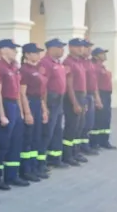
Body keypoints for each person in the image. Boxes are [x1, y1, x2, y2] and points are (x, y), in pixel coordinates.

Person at [0, 39, 29, 189]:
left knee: (15, 143)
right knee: (1, 144)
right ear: (4, 50)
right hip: (5, 105)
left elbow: (17, 90)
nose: (16, 52)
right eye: (13, 49)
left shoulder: (13, 68)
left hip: (14, 106)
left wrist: (21, 111)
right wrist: (2, 113)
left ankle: (12, 175)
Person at [18, 43, 49, 182]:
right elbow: (22, 93)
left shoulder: (37, 69)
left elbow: (41, 93)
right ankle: (26, 169)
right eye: (35, 52)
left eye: (39, 52)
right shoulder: (24, 70)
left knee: (37, 137)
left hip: (37, 102)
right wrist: (27, 112)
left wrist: (44, 109)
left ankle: (35, 167)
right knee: (28, 138)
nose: (38, 55)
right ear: (27, 54)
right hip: (29, 102)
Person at [38, 38, 69, 170]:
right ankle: (41, 161)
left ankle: (55, 158)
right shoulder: (45, 63)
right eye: (60, 47)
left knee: (57, 130)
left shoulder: (59, 63)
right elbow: (43, 86)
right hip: (51, 99)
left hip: (59, 99)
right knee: (47, 131)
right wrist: (44, 105)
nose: (62, 50)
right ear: (51, 48)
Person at [62, 38, 89, 166]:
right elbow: (69, 86)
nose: (81, 49)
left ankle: (75, 152)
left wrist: (84, 102)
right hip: (73, 96)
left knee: (79, 126)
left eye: (82, 47)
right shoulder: (68, 62)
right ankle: (67, 155)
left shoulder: (80, 62)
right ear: (70, 47)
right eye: (77, 46)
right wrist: (75, 103)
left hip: (82, 96)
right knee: (71, 127)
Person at [90, 47, 117, 150]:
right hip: (100, 93)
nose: (104, 55)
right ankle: (95, 142)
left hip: (106, 94)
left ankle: (104, 140)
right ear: (96, 56)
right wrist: (97, 98)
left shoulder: (102, 67)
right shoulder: (95, 67)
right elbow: (94, 83)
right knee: (99, 119)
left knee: (106, 118)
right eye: (102, 53)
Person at [79, 41, 101, 156]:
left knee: (89, 123)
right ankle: (81, 146)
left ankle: (85, 144)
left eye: (90, 48)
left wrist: (97, 97)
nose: (89, 50)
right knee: (82, 122)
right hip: (83, 95)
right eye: (86, 47)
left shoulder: (89, 62)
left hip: (91, 95)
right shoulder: (79, 62)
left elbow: (94, 82)